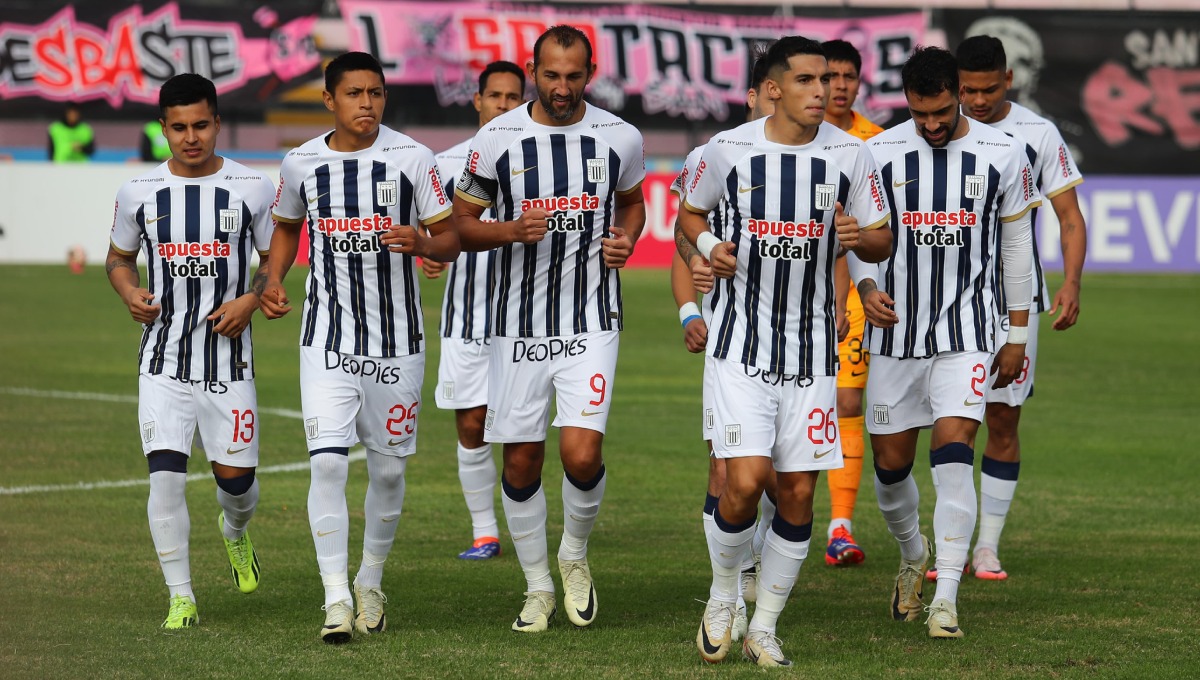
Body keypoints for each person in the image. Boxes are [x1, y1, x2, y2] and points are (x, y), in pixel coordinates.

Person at [680, 36, 891, 666]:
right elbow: (687, 216)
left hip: (812, 355)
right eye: (806, 80)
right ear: (773, 89)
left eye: (826, 79)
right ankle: (724, 594)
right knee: (743, 484)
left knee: (797, 495)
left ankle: (764, 625)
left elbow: (881, 241)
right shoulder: (725, 151)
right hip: (740, 347)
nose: (822, 91)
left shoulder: (854, 156)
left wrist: (864, 240)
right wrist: (711, 245)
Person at [452, 25, 646, 633]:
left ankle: (573, 558)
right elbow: (462, 224)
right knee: (521, 465)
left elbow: (633, 201)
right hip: (515, 327)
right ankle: (537, 586)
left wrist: (628, 238)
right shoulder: (497, 139)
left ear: (591, 72)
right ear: (534, 70)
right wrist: (510, 229)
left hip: (591, 321)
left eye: (574, 76)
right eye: (551, 75)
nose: (562, 88)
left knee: (581, 453)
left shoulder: (621, 137)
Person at [262, 51, 460, 643]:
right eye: (354, 94)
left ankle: (370, 578)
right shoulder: (300, 164)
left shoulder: (412, 158)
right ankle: (336, 598)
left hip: (397, 344)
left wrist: (423, 240)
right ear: (330, 100)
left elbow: (450, 239)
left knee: (389, 473)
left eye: (375, 92)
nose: (367, 103)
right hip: (326, 339)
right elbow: (287, 227)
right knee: (326, 461)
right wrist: (273, 279)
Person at [847, 46, 1038, 639]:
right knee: (889, 466)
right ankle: (913, 555)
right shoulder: (877, 152)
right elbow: (861, 239)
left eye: (942, 112)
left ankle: (947, 598)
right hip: (896, 336)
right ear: (906, 102)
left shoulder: (1003, 153)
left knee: (954, 454)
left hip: (969, 335)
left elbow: (1016, 249)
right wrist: (869, 284)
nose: (931, 125)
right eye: (920, 113)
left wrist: (1017, 332)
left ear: (959, 94)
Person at [105, 73, 274, 630]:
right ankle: (182, 597)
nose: (190, 136)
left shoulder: (252, 188)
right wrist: (130, 291)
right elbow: (118, 259)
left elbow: (276, 259)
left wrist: (253, 296)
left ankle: (235, 535)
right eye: (178, 127)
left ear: (218, 123)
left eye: (201, 124)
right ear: (163, 129)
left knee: (238, 487)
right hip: (162, 364)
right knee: (166, 478)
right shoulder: (139, 192)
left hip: (229, 365)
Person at [924, 35, 1085, 582]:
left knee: (1002, 417)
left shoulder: (1037, 134)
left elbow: (1068, 216)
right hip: (940, 302)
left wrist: (1072, 283)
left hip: (1013, 305)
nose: (978, 99)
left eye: (988, 88)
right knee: (941, 423)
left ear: (1008, 80)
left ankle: (985, 545)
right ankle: (946, 540)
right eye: (967, 90)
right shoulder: (932, 129)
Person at [669, 51, 775, 641]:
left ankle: (752, 562)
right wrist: (691, 306)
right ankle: (728, 590)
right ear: (754, 96)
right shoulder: (712, 156)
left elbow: (839, 249)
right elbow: (684, 243)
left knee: (782, 480)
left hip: (799, 346)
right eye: (769, 90)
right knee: (727, 468)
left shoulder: (830, 155)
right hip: (732, 342)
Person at [422, 60, 526, 560]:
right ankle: (485, 531)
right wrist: (431, 254)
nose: (503, 105)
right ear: (478, 101)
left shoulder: (540, 157)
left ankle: (523, 520)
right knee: (471, 425)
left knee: (521, 431)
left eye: (513, 97)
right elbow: (432, 235)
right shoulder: (445, 165)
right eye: (495, 96)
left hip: (528, 318)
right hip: (466, 315)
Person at [820, 39, 887, 567]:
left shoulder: (877, 143)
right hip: (794, 297)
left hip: (856, 297)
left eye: (849, 76)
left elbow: (876, 233)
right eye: (831, 75)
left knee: (847, 404)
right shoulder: (794, 136)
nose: (840, 85)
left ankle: (840, 523)